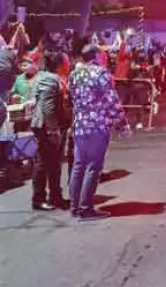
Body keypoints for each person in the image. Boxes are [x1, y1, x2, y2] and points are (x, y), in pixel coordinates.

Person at [68, 44, 126, 221]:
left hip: (79, 125)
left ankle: (75, 206)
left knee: (79, 165)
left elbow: (72, 98)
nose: (105, 57)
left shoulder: (74, 74)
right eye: (102, 54)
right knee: (94, 166)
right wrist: (121, 122)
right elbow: (111, 100)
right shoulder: (101, 74)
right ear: (95, 56)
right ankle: (86, 208)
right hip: (97, 126)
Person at [28, 51, 68, 211]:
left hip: (48, 126)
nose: (68, 64)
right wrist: (53, 130)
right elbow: (48, 107)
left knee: (53, 163)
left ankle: (55, 197)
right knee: (44, 163)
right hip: (46, 127)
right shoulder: (50, 80)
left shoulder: (44, 76)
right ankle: (39, 199)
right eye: (66, 62)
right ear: (59, 65)